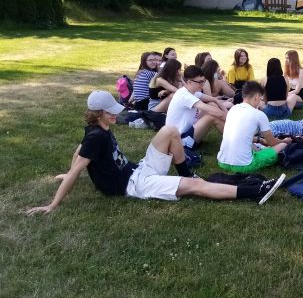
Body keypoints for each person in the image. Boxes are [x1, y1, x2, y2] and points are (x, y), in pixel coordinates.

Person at [25, 91, 286, 215]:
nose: (116, 115)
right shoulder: (96, 136)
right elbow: (81, 161)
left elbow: (79, 150)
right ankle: (255, 192)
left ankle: (186, 172)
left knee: (170, 131)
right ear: (98, 114)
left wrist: (68, 171)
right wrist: (54, 203)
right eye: (110, 112)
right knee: (196, 187)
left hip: (139, 169)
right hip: (134, 185)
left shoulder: (97, 130)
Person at [217, 81, 290, 173]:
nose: (260, 101)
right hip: (244, 166)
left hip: (222, 162)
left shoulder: (233, 109)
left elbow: (241, 136)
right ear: (256, 97)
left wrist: (259, 140)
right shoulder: (259, 114)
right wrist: (284, 141)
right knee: (282, 146)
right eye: (260, 98)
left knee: (255, 148)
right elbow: (271, 142)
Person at [165, 65, 229, 148]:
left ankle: (236, 136)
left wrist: (225, 111)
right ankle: (236, 141)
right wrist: (231, 120)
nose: (202, 84)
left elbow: (214, 100)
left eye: (204, 81)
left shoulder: (192, 92)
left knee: (212, 105)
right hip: (179, 141)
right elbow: (212, 111)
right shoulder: (184, 95)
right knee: (212, 116)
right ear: (189, 82)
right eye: (200, 82)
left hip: (186, 132)